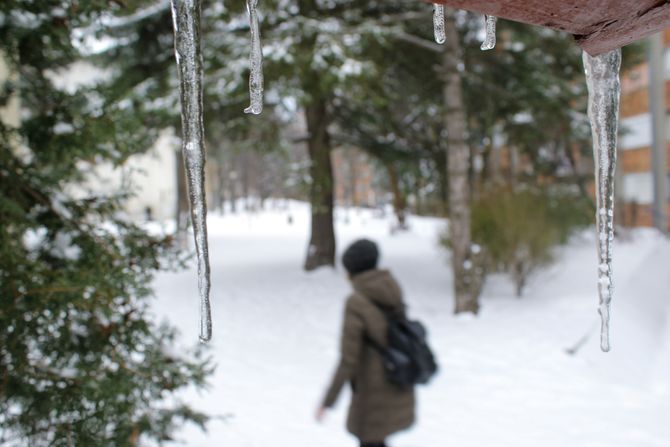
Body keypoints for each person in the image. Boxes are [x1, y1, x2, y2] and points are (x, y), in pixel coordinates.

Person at [316, 239, 415, 447]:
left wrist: (328, 401)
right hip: (396, 384)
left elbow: (348, 360)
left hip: (372, 396)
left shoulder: (356, 303)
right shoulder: (391, 287)